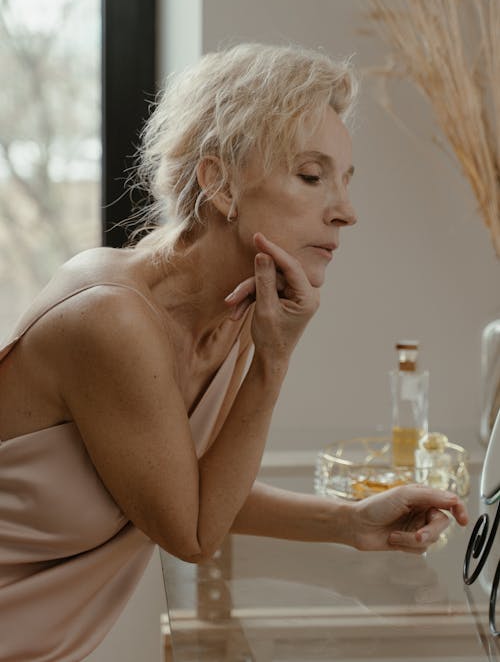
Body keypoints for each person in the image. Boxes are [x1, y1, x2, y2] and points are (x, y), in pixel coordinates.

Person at [0, 43, 468, 661]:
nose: (347, 212)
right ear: (218, 183)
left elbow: (183, 488)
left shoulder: (234, 311)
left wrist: (348, 523)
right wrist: (274, 363)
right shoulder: (109, 319)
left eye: (346, 182)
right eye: (311, 175)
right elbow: (192, 532)